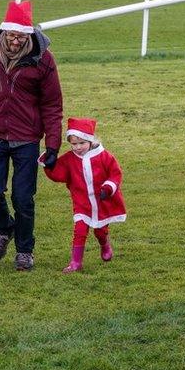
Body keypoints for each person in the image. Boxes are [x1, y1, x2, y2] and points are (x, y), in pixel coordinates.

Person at [0, 0, 63, 271]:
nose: (16, 42)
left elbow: (52, 105)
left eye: (21, 36)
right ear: (4, 32)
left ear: (29, 34)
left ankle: (25, 251)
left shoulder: (44, 60)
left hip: (27, 138)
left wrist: (52, 145)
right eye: (12, 36)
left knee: (22, 198)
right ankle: (5, 229)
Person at [42, 117, 126, 273]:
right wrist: (49, 164)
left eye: (82, 143)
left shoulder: (105, 157)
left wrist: (108, 188)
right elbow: (59, 175)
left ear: (90, 141)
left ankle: (104, 244)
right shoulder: (69, 159)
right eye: (74, 144)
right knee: (80, 230)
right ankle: (75, 262)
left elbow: (115, 174)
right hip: (82, 203)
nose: (78, 147)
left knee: (100, 231)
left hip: (102, 202)